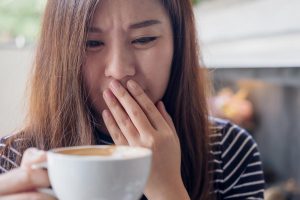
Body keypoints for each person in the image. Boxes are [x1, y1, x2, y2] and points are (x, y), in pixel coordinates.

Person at [0, 0, 265, 199]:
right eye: (91, 43)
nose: (118, 69)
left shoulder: (230, 151)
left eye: (144, 39)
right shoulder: (10, 158)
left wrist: (168, 189)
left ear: (179, 44)